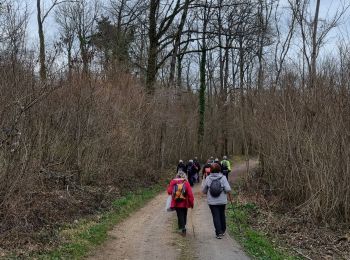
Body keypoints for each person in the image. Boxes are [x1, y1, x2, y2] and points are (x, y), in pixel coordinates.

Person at [202, 163, 232, 239]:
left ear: (211, 170)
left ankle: (218, 233)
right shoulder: (223, 177)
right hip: (222, 200)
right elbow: (228, 189)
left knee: (215, 216)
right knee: (222, 214)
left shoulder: (208, 178)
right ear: (219, 169)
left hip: (212, 201)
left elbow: (204, 190)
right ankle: (223, 230)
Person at [167, 171, 194, 236]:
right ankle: (183, 227)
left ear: (177, 176)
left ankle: (182, 228)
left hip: (176, 202)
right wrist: (191, 203)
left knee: (179, 215)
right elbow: (190, 194)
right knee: (184, 215)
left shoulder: (173, 182)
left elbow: (169, 191)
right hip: (185, 202)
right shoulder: (186, 182)